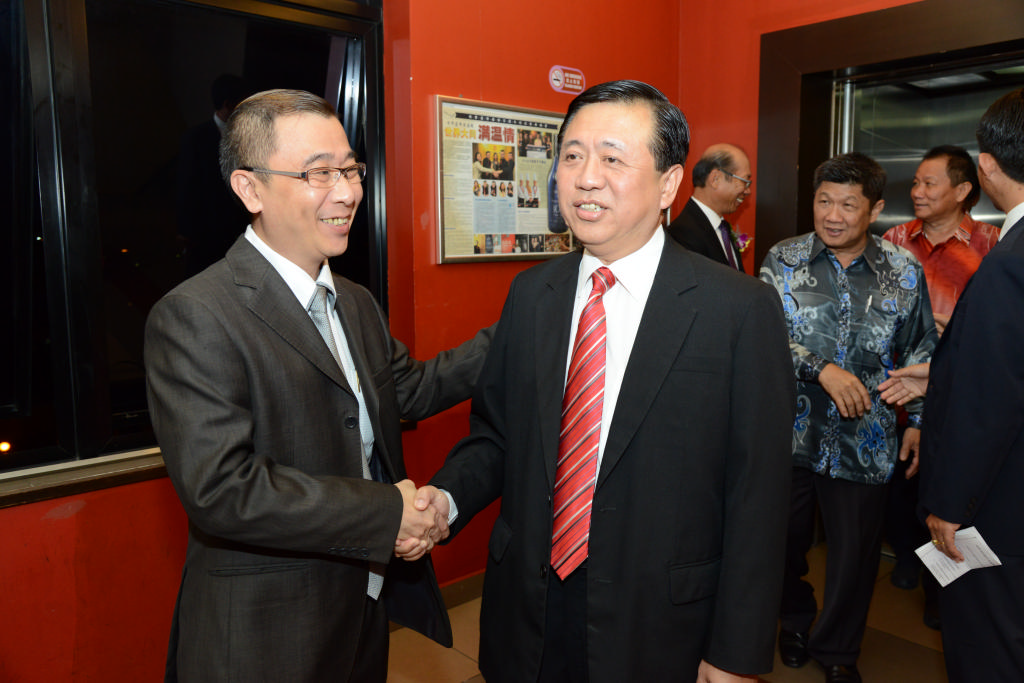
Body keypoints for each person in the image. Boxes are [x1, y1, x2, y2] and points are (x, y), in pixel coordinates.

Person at [415, 80, 796, 682]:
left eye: (613, 159)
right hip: (530, 607)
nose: (586, 178)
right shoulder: (532, 294)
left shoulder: (738, 309)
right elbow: (499, 436)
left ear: (669, 184)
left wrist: (736, 653)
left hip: (659, 620)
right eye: (572, 156)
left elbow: (759, 495)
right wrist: (446, 498)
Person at [145, 89, 491, 682]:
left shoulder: (353, 301)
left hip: (361, 611)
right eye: (318, 173)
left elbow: (409, 389)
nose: (348, 192)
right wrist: (387, 513)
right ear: (249, 189)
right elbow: (223, 489)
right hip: (265, 632)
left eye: (350, 170)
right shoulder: (197, 314)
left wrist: (522, 328)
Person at [760, 152, 938, 683]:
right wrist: (823, 370)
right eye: (824, 201)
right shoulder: (783, 259)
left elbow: (920, 349)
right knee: (779, 545)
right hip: (787, 434)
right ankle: (793, 619)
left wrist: (918, 422)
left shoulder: (904, 270)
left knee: (856, 558)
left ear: (875, 209)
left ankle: (837, 648)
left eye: (847, 205)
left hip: (868, 438)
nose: (832, 216)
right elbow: (763, 336)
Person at [919, 87, 1024, 683]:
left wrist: (949, 504)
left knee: (988, 647)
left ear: (986, 166)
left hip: (1000, 505)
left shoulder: (1009, 261)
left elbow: (990, 402)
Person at [879, 145, 999, 622]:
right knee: (898, 485)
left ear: (963, 190)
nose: (918, 192)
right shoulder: (894, 238)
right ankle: (906, 558)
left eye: (929, 183)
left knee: (944, 486)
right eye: (915, 183)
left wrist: (957, 333)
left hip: (958, 392)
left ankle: (940, 590)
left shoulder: (992, 244)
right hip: (897, 387)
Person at [175, 74, 251, 276]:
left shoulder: (248, 137)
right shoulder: (195, 138)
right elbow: (186, 185)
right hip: (206, 230)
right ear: (228, 104)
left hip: (238, 229)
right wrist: (185, 229)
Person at [667, 143, 752, 272]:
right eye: (744, 182)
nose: (748, 191)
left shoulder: (723, 228)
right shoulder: (682, 235)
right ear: (715, 179)